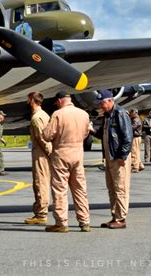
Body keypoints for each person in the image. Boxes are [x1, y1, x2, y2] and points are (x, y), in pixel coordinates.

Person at [43, 91, 91, 233]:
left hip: (61, 155)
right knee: (80, 189)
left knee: (60, 190)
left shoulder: (58, 114)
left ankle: (61, 223)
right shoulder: (84, 114)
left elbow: (47, 135)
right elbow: (86, 133)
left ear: (59, 101)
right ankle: (84, 222)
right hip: (78, 154)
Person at [94, 90, 133, 229]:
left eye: (102, 103)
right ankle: (114, 216)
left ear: (110, 101)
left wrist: (122, 156)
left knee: (120, 188)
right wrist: (91, 130)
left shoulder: (120, 113)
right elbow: (103, 135)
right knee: (112, 188)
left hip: (118, 158)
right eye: (100, 104)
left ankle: (121, 218)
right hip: (110, 157)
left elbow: (128, 138)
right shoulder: (107, 116)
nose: (101, 106)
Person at [24, 92, 52, 225]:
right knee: (42, 182)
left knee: (40, 183)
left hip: (41, 154)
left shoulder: (36, 118)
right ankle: (40, 212)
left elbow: (42, 139)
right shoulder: (44, 114)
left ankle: (41, 214)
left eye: (28, 99)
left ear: (31, 100)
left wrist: (50, 153)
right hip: (42, 153)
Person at [130, 109, 144, 173]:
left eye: (131, 113)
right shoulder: (136, 119)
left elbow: (132, 127)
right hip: (137, 137)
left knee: (134, 153)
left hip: (135, 138)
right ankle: (140, 165)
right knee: (137, 152)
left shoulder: (136, 120)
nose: (130, 114)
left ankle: (135, 167)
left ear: (134, 113)